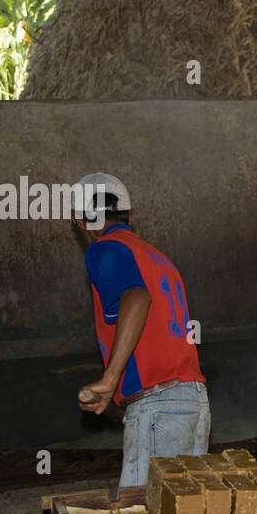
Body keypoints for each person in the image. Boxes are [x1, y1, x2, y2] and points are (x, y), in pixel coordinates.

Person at [72, 173, 210, 487]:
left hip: (160, 407)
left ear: (80, 221)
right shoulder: (156, 257)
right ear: (130, 215)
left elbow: (137, 298)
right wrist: (117, 387)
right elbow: (154, 332)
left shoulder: (104, 249)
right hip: (192, 401)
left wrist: (109, 378)